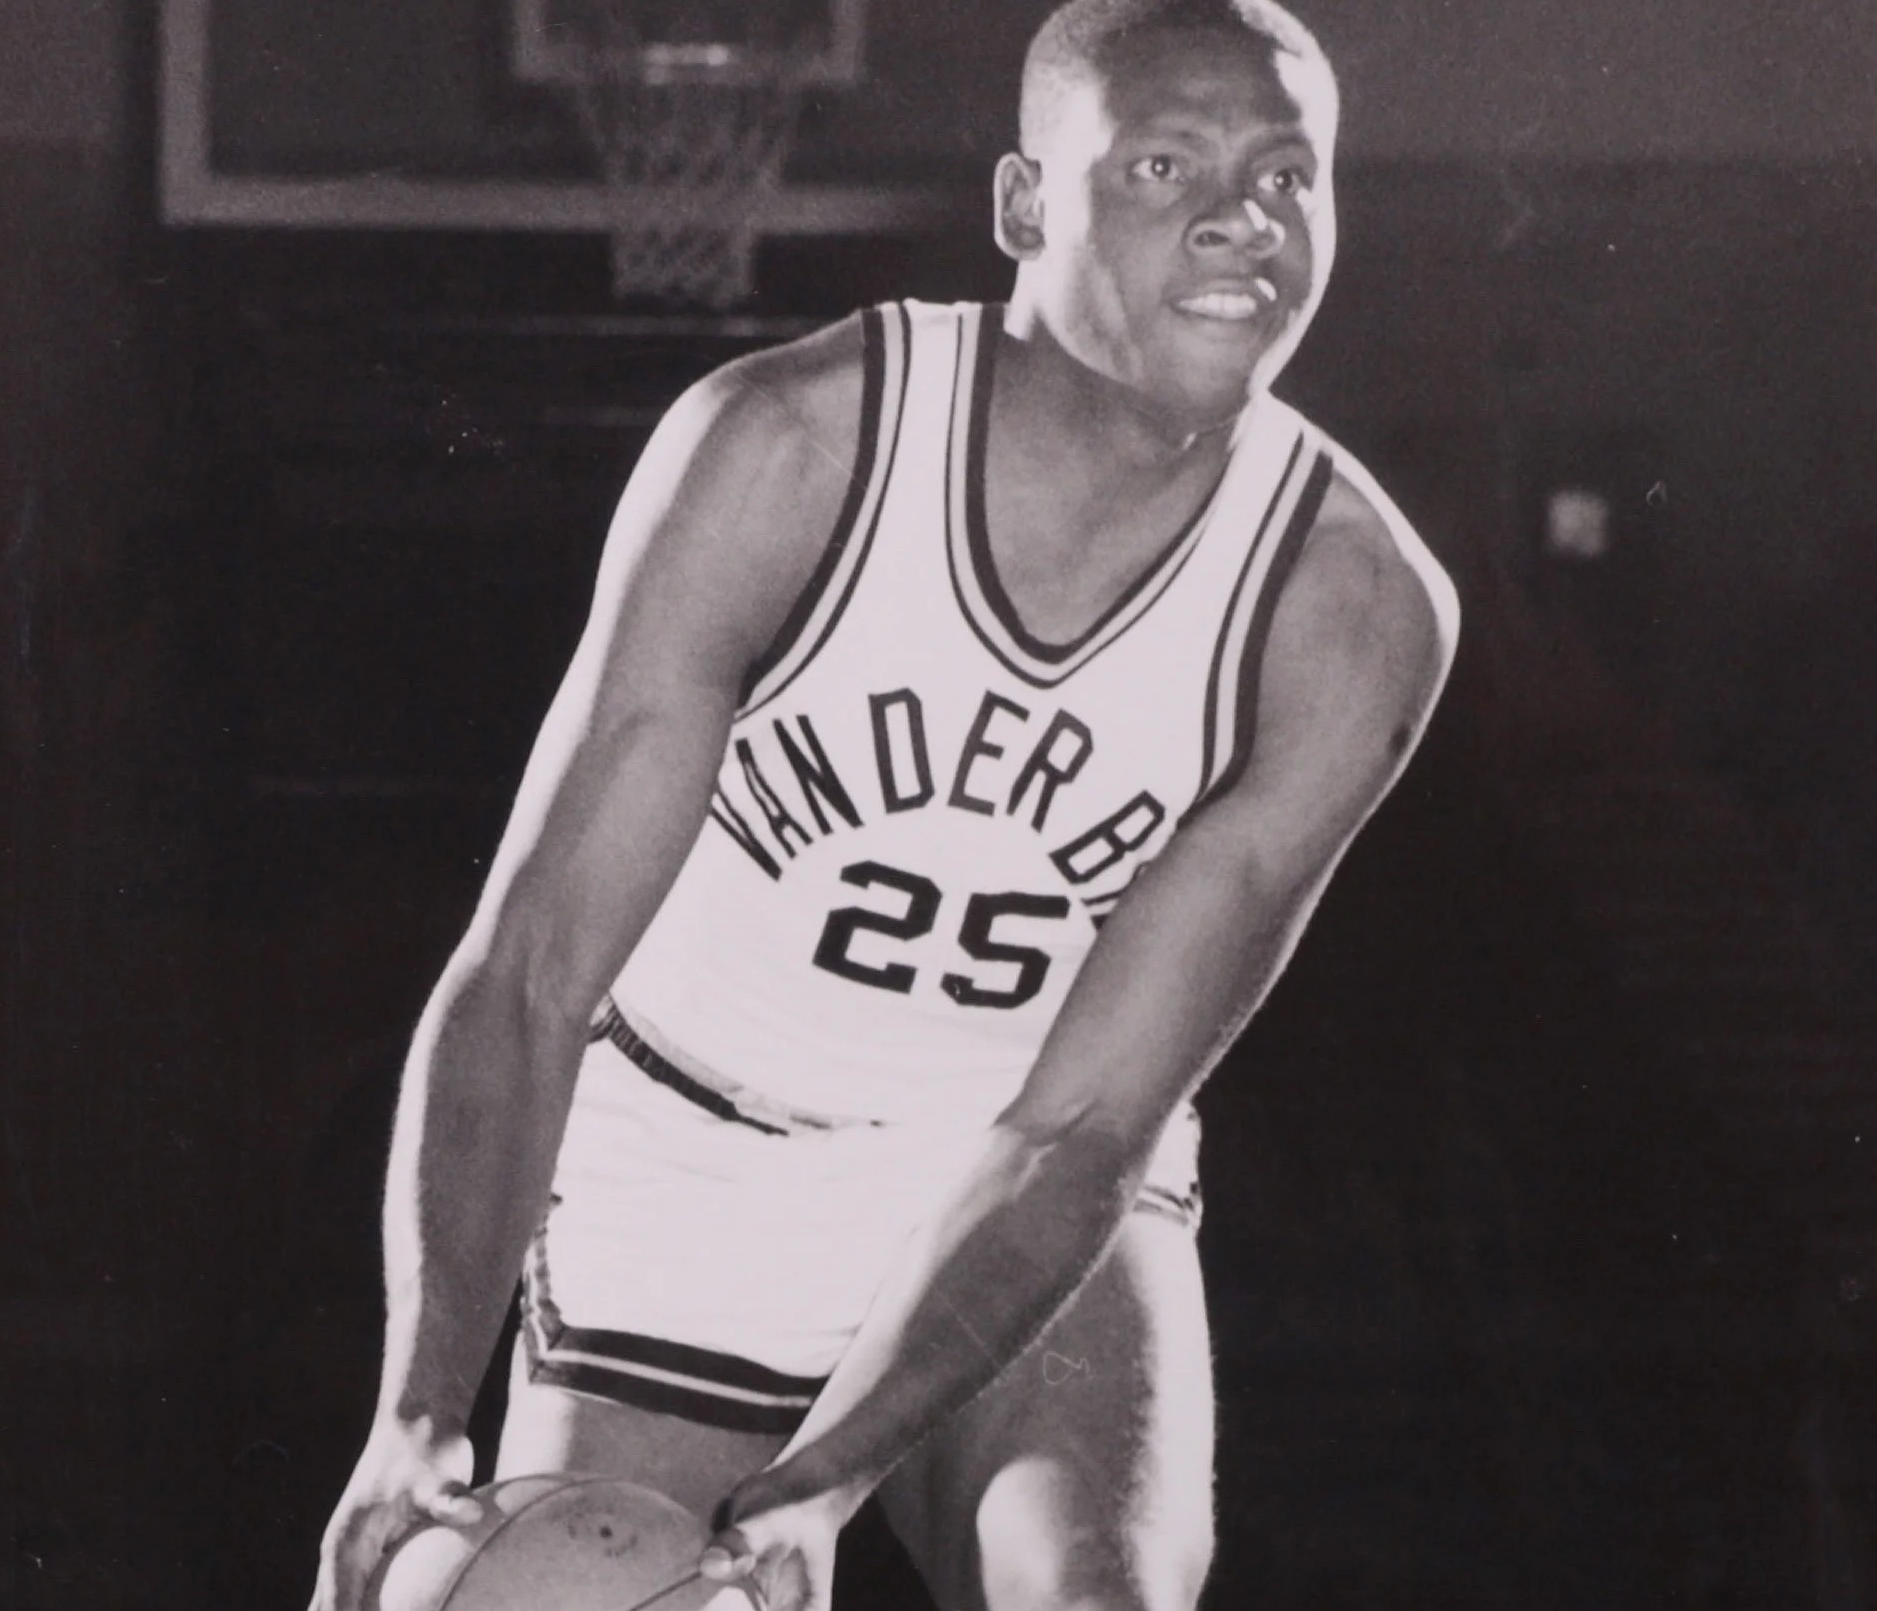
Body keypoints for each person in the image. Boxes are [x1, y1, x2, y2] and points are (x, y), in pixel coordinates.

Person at [311, 0, 1459, 1606]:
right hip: (697, 1148)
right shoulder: (791, 447)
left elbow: (1083, 1127)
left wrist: (829, 1480)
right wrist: (420, 1408)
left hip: (1017, 1172)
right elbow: (530, 972)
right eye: (1160, 164)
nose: (1239, 217)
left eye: (1288, 175)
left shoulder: (1351, 607)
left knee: (1089, 1596)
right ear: (1021, 207)